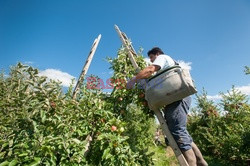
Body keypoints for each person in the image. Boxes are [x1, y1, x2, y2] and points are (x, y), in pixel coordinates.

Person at [127, 47, 207, 166]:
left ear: (157, 54)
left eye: (152, 57)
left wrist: (134, 79)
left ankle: (191, 163)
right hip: (174, 99)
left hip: (177, 98)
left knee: (178, 131)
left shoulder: (162, 57)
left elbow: (150, 69)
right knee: (181, 131)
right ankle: (201, 162)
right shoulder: (163, 69)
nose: (151, 61)